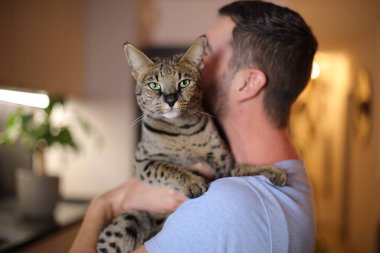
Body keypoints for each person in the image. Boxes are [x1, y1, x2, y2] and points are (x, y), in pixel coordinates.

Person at [70, 1, 318, 252]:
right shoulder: (294, 181)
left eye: (206, 54)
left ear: (248, 83)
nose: (197, 66)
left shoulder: (226, 208)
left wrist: (103, 205)